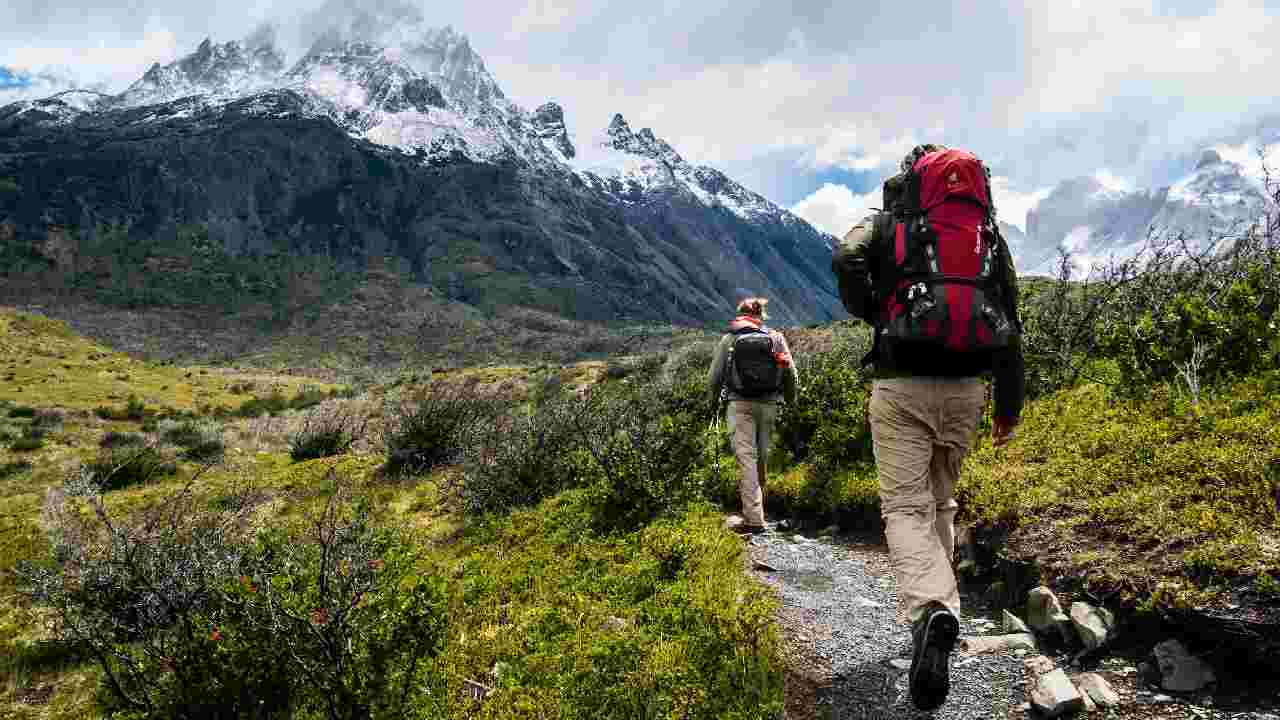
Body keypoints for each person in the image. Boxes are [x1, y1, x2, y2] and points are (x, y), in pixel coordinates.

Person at [832, 144, 1025, 711]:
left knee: (905, 509)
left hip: (902, 383)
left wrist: (876, 310)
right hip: (968, 387)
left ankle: (932, 610)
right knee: (941, 504)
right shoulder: (985, 234)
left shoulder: (889, 225)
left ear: (912, 181)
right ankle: (939, 616)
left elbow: (846, 258)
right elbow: (1010, 315)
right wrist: (1008, 404)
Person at [707, 297, 799, 534]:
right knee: (761, 457)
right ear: (762, 314)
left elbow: (714, 377)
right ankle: (758, 511)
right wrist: (790, 400)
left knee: (746, 458)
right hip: (769, 405)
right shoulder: (776, 338)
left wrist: (712, 405)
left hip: (739, 404)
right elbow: (791, 374)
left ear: (740, 314)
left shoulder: (730, 338)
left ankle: (754, 519)